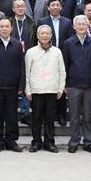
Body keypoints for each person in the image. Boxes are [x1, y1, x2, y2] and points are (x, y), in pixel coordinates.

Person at [61, 15, 91, 154]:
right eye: (78, 24)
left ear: (88, 26)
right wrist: (65, 84)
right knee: (73, 116)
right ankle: (74, 141)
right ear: (74, 26)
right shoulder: (68, 43)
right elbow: (65, 65)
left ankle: (89, 142)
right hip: (73, 85)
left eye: (84, 23)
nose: (81, 26)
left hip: (90, 85)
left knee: (88, 116)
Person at [0, 18, 25, 153]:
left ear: (11, 28)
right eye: (2, 26)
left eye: (7, 26)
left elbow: (21, 67)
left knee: (12, 116)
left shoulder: (17, 45)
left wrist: (21, 85)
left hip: (13, 87)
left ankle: (11, 141)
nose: (4, 29)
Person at [25, 25, 66, 153]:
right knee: (36, 118)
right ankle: (36, 142)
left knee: (50, 118)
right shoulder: (31, 52)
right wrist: (28, 89)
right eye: (42, 33)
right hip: (36, 90)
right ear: (38, 36)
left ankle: (49, 142)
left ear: (51, 35)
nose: (44, 35)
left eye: (47, 33)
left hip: (52, 89)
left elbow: (62, 71)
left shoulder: (57, 52)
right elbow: (27, 72)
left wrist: (61, 88)